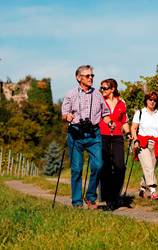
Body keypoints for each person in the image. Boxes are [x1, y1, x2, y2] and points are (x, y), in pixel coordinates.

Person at [61, 65, 115, 209]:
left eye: (92, 76)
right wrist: (68, 117)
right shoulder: (70, 94)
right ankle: (77, 202)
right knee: (77, 169)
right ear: (79, 78)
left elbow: (105, 113)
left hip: (93, 134)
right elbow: (64, 114)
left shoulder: (97, 94)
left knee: (98, 165)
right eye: (87, 76)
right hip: (76, 134)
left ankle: (91, 197)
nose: (91, 78)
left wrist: (110, 122)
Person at [99, 78, 132, 210]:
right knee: (105, 167)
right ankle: (108, 199)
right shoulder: (100, 102)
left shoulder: (121, 103)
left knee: (120, 167)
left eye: (105, 88)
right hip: (103, 136)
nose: (102, 90)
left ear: (112, 89)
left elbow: (124, 121)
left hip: (118, 136)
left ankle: (116, 194)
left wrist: (128, 133)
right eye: (101, 88)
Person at [131, 91, 158, 200]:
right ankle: (153, 190)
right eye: (150, 99)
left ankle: (142, 189)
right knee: (148, 166)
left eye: (154, 100)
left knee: (151, 168)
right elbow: (134, 128)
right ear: (146, 100)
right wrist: (135, 140)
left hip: (155, 143)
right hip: (141, 143)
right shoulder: (139, 113)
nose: (152, 102)